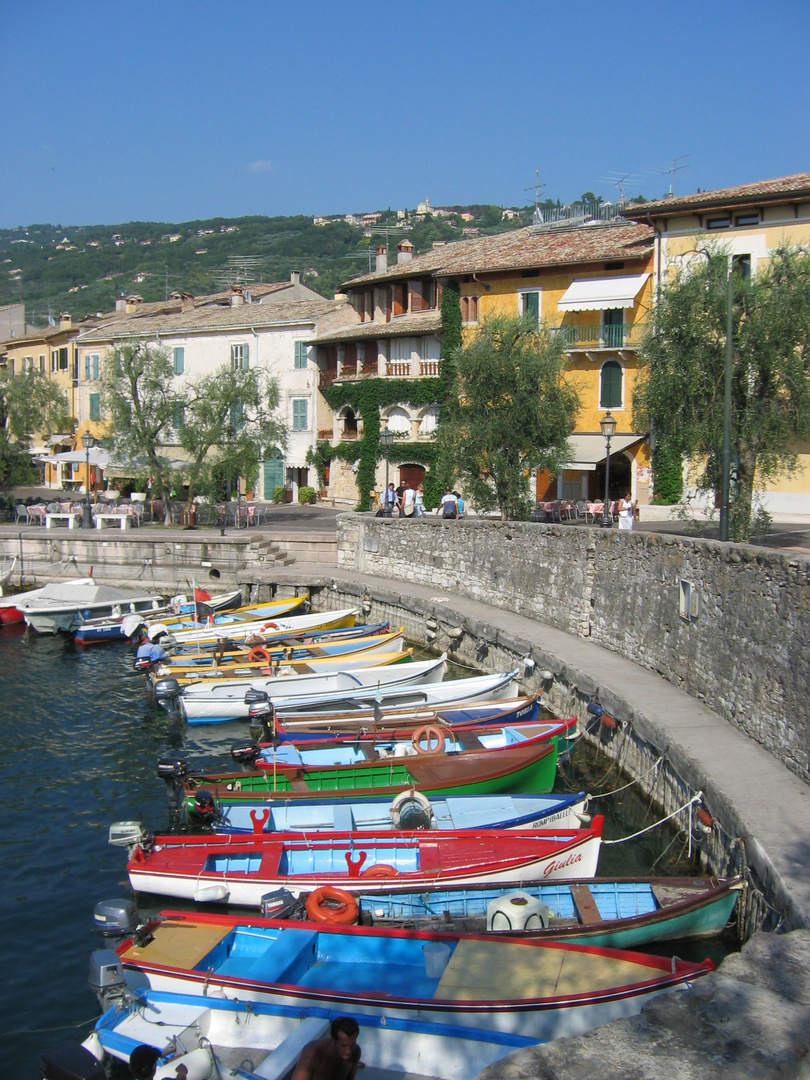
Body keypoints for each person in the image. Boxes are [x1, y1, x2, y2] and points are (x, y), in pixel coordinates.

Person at [291, 1016, 361, 1080]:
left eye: (352, 1045)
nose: (349, 1051)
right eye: (343, 1046)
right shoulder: (313, 1054)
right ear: (333, 1040)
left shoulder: (355, 1052)